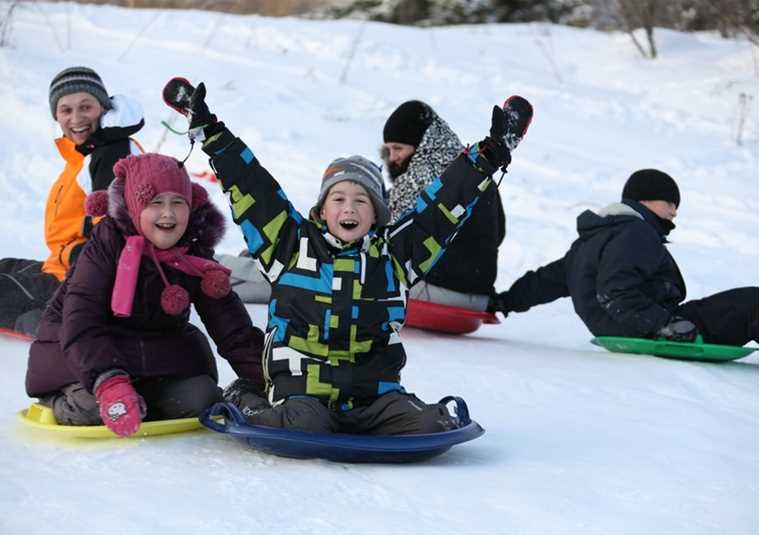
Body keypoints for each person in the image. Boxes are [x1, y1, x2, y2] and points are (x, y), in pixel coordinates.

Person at [171, 82, 526, 435]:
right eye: (338, 199)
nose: (349, 208)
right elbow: (253, 187)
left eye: (361, 200)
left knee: (431, 425)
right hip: (301, 389)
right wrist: (212, 134)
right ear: (322, 211)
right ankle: (247, 398)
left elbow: (443, 208)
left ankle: (386, 416)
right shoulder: (289, 243)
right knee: (305, 423)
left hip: (372, 395)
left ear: (377, 214)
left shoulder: (394, 257)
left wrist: (491, 152)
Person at [25, 153, 265, 437]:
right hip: (80, 354)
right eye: (155, 203)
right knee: (93, 409)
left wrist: (268, 381)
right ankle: (62, 398)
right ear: (134, 206)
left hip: (151, 355)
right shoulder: (106, 247)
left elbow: (230, 325)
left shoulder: (194, 252)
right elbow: (81, 320)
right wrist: (109, 383)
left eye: (178, 202)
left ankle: (136, 398)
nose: (168, 214)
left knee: (202, 398)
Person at [489, 169, 759, 346]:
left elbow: (548, 280)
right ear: (646, 200)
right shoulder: (636, 232)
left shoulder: (594, 238)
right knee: (754, 303)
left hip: (633, 327)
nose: (675, 212)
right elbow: (616, 293)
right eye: (670, 203)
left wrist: (504, 301)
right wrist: (666, 325)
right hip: (656, 329)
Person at [0, 66, 144, 337]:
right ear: (56, 115)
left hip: (84, 282)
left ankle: (55, 318)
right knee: (5, 265)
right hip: (65, 264)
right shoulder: (89, 153)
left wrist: (81, 267)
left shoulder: (113, 154)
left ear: (103, 108)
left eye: (85, 107)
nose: (76, 118)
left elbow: (118, 230)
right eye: (66, 110)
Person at [382, 100, 506, 311]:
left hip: (436, 291)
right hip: (479, 297)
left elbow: (393, 237)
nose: (393, 158)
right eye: (388, 150)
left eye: (398, 148)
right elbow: (499, 233)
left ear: (421, 144)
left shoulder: (423, 175)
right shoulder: (472, 168)